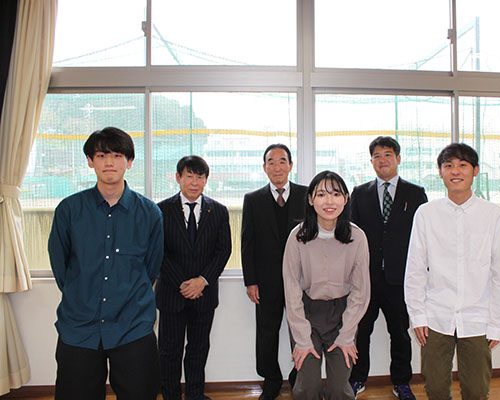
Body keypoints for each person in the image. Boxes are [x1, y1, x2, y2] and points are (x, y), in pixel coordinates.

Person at [48, 127, 164, 399]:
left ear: (129, 162)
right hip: (79, 325)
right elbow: (60, 266)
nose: (109, 162)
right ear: (90, 161)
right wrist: (82, 295)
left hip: (133, 324)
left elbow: (151, 267)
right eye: (101, 155)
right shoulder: (69, 210)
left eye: (117, 155)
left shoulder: (149, 213)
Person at [404, 143, 500, 400]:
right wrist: (417, 315)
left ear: (475, 171)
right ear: (440, 172)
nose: (455, 171)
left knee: (476, 391)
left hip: (477, 317)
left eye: (463, 165)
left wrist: (497, 324)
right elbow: (415, 268)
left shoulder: (494, 214)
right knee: (435, 389)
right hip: (435, 316)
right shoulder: (426, 213)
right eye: (448, 165)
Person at [349, 136, 427, 400]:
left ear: (398, 159)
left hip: (400, 279)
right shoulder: (360, 193)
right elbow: (351, 235)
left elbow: (422, 237)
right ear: (371, 161)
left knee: (400, 333)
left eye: (388, 155)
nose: (382, 160)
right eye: (377, 156)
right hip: (367, 279)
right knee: (361, 332)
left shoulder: (415, 194)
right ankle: (357, 379)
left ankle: (402, 383)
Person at [283, 170, 370, 400]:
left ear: (346, 199)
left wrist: (347, 334)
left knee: (339, 387)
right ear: (311, 200)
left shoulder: (357, 237)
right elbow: (291, 290)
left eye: (336, 194)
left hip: (343, 313)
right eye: (321, 194)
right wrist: (302, 338)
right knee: (307, 385)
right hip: (306, 313)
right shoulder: (297, 237)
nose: (329, 201)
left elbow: (361, 291)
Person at [155, 155, 232, 400]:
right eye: (189, 176)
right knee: (169, 351)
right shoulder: (161, 210)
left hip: (204, 295)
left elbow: (223, 250)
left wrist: (202, 281)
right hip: (171, 294)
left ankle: (195, 395)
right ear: (178, 178)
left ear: (206, 180)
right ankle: (170, 395)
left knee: (198, 349)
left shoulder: (218, 211)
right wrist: (182, 283)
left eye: (200, 177)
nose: (195, 182)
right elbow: (158, 252)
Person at [241, 144, 307, 399]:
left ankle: (300, 379)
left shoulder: (306, 195)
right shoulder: (253, 199)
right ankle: (271, 380)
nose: (277, 167)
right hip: (266, 281)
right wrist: (251, 281)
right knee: (266, 333)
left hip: (300, 280)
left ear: (290, 165)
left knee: (300, 331)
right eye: (271, 162)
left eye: (282, 161)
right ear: (264, 167)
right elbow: (247, 243)